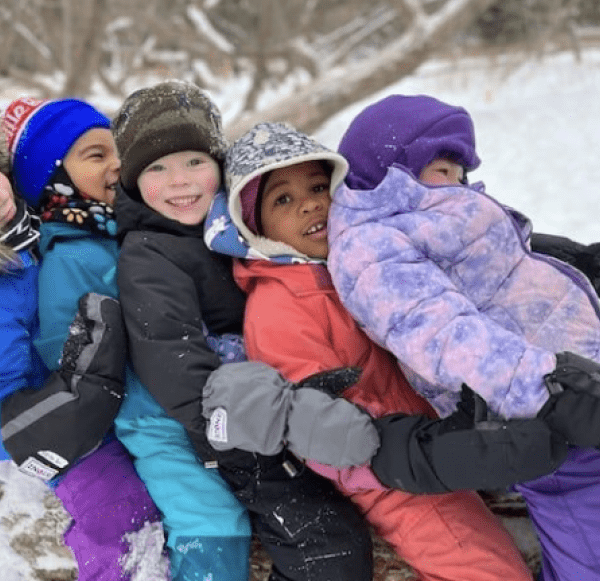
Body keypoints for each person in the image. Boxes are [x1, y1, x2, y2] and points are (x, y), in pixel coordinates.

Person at [203, 120, 557, 581]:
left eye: (317, 186)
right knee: (485, 569)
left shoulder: (357, 259)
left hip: (444, 439)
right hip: (389, 474)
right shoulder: (278, 306)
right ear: (254, 227)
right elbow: (318, 428)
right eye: (282, 199)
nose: (310, 203)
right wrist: (397, 453)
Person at [326, 93, 600, 581]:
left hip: (578, 380)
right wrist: (550, 391)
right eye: (440, 170)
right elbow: (447, 336)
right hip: (541, 418)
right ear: (389, 169)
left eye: (459, 173)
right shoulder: (371, 249)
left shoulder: (427, 216)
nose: (455, 185)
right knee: (587, 527)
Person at [111, 80, 377, 581]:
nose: (180, 181)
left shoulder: (236, 229)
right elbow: (176, 366)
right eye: (157, 168)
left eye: (194, 162)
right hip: (234, 433)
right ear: (132, 183)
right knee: (327, 539)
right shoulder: (148, 255)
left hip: (285, 403)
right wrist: (268, 429)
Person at [0, 96, 165, 581]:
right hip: (47, 427)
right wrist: (55, 420)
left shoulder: (54, 225)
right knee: (120, 514)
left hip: (106, 395)